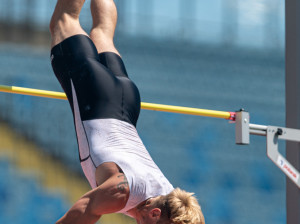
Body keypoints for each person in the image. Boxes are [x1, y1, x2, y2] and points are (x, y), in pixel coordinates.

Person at [49, 0, 205, 223]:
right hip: (95, 96)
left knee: (103, 32)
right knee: (64, 19)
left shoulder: (169, 195)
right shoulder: (121, 193)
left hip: (126, 101)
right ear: (154, 213)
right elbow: (77, 217)